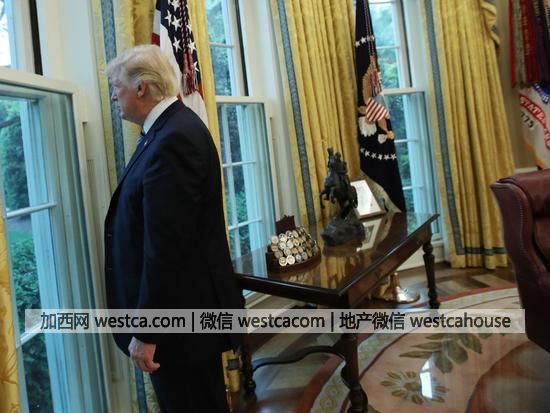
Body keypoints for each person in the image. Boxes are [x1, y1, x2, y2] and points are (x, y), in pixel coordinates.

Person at [104, 44, 242, 413]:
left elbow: (167, 248)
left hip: (180, 327)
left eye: (117, 87)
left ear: (141, 88)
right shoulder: (165, 131)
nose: (114, 96)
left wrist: (149, 331)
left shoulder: (174, 138)